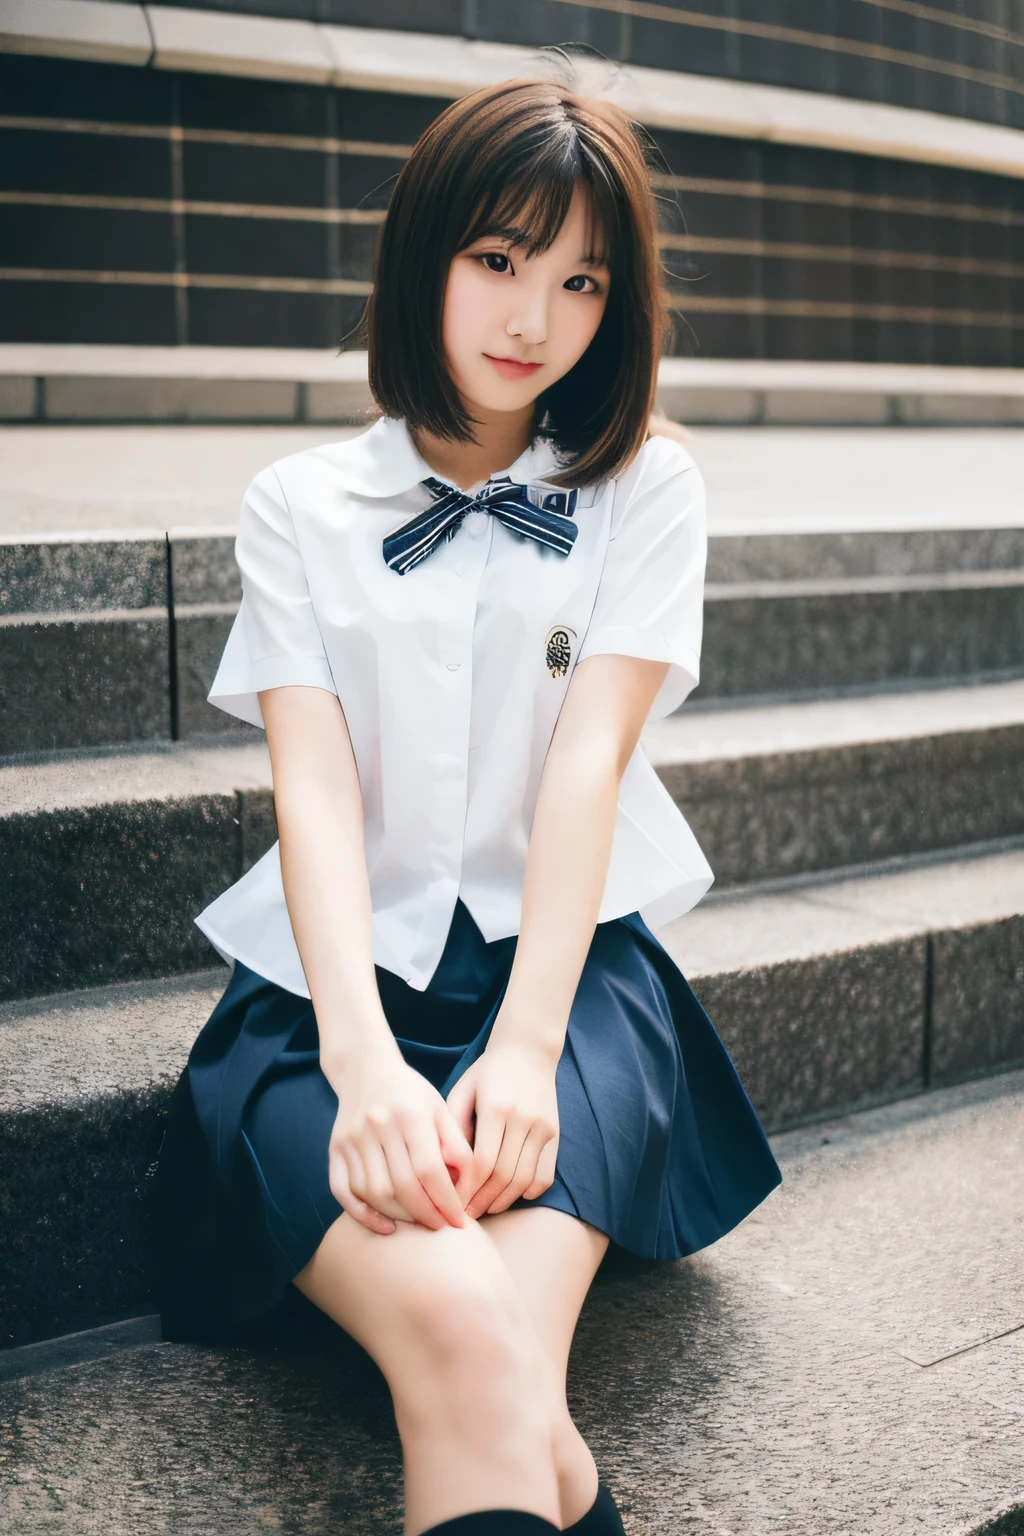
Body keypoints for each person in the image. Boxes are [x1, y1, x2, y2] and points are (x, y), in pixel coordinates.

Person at [151, 76, 782, 1536]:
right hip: (328, 999)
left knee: (487, 1340)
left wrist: (527, 1048)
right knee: (472, 1342)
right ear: (424, 253)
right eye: (497, 259)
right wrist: (364, 1067)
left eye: (579, 281)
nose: (531, 317)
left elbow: (585, 769)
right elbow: (312, 786)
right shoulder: (299, 504)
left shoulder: (647, 489)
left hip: (565, 984)